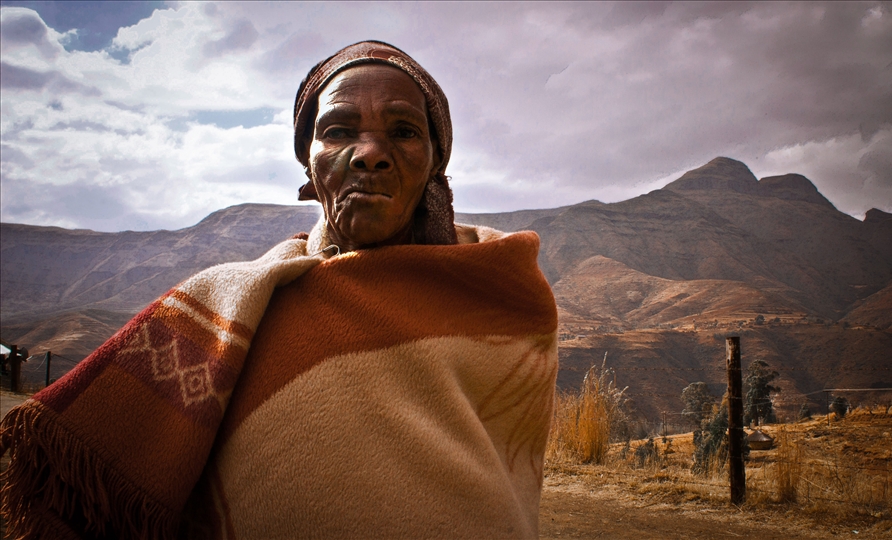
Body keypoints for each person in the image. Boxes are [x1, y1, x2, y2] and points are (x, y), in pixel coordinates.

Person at [0, 41, 559, 539]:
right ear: (308, 163)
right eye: (338, 130)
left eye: (404, 131)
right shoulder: (236, 305)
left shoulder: (501, 290)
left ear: (435, 159)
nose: (368, 152)